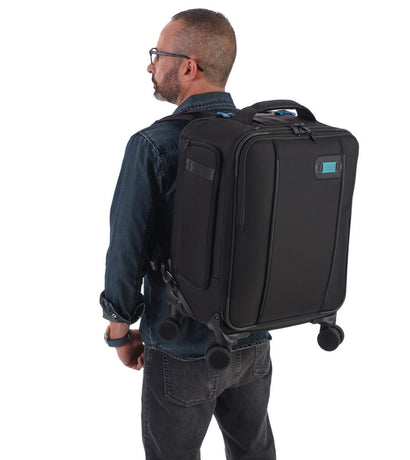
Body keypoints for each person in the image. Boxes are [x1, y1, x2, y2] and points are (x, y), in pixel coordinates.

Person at [100, 9, 276, 460]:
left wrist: (119, 331)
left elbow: (126, 249)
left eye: (158, 55)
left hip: (180, 345)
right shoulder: (261, 138)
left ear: (188, 67)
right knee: (254, 451)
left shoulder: (153, 145)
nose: (150, 65)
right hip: (252, 340)